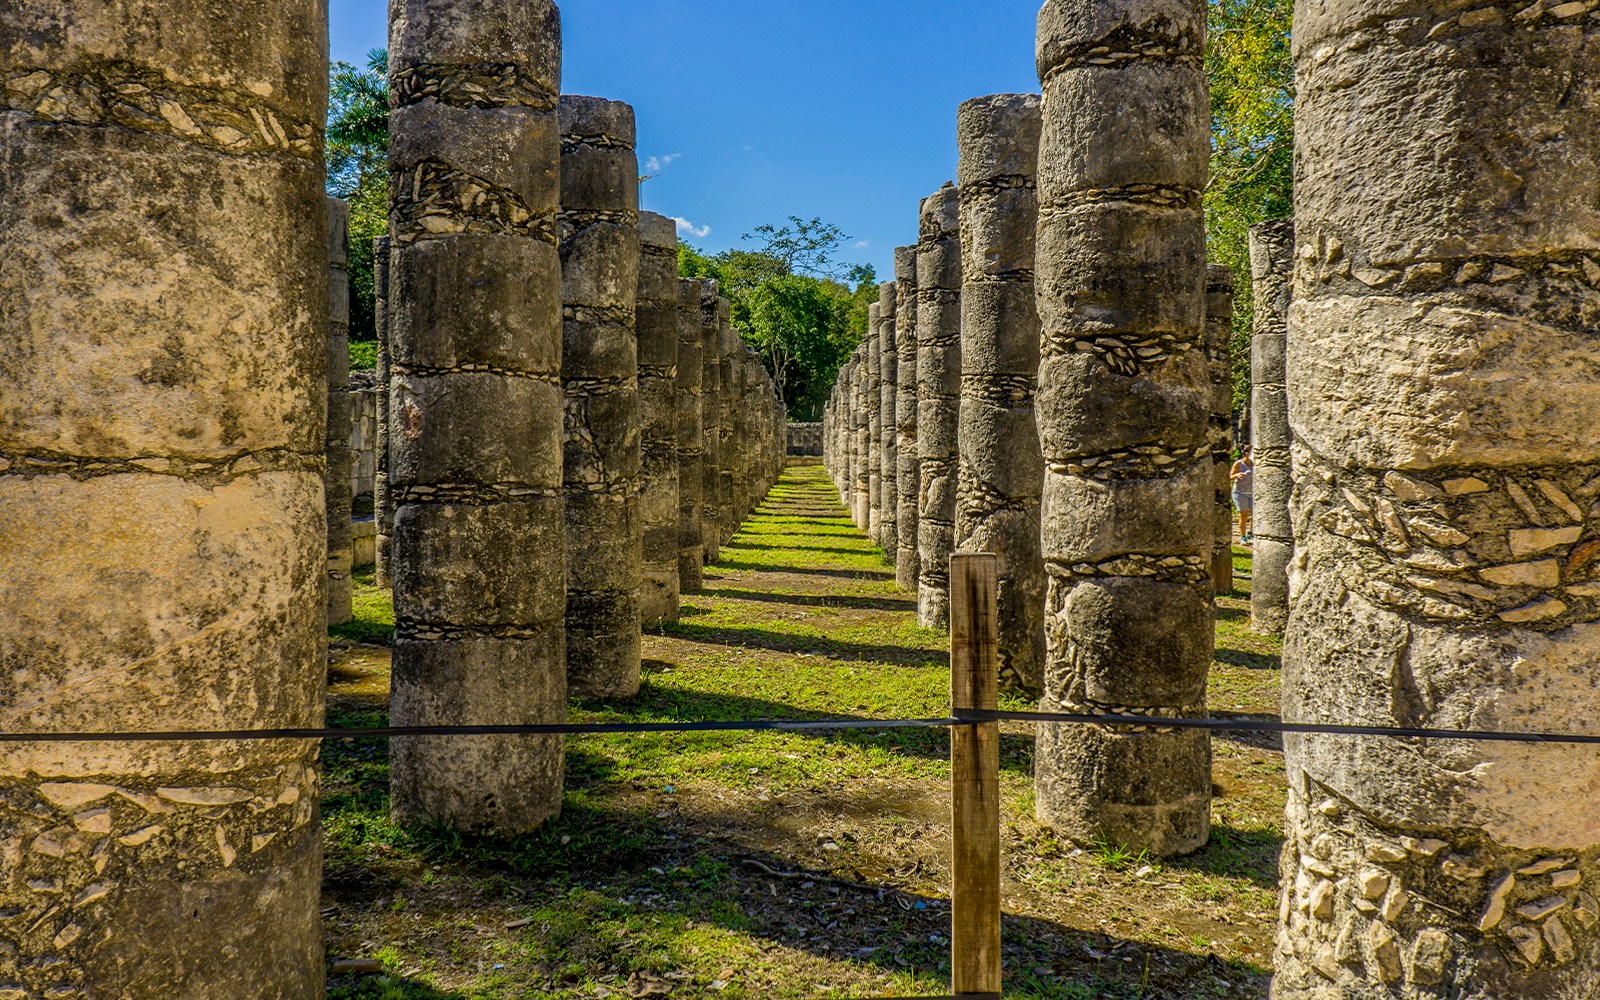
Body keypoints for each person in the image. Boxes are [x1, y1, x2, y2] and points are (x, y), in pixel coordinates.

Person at [1231, 446, 1254, 544]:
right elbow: (1230, 476)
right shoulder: (1238, 463)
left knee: (1256, 514)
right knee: (1243, 515)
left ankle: (1251, 532)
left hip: (1253, 492)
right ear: (1246, 453)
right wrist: (1236, 475)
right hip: (1240, 492)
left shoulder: (1256, 463)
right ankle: (1243, 537)